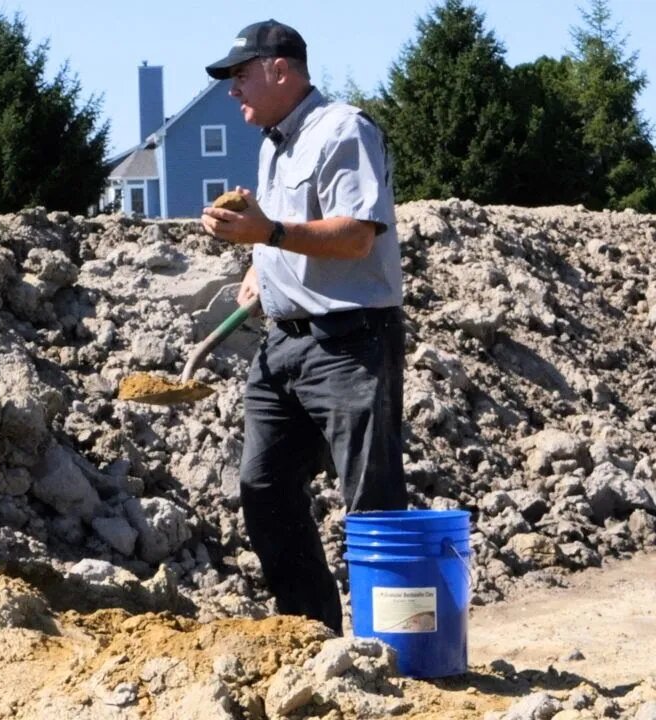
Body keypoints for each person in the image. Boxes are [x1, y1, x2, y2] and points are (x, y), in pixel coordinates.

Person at [200, 20, 408, 634]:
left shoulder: (344, 129)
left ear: (281, 70)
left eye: (241, 76)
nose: (233, 90)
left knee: (371, 503)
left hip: (349, 343)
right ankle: (311, 635)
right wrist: (260, 267)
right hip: (284, 345)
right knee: (263, 488)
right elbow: (291, 231)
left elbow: (355, 233)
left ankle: (390, 650)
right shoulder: (273, 143)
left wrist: (268, 235)